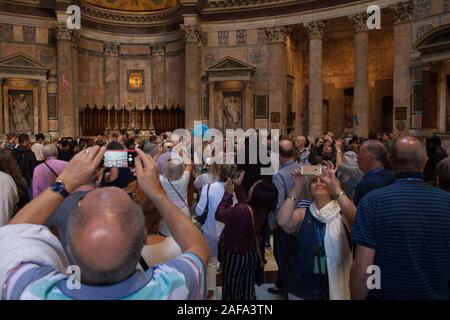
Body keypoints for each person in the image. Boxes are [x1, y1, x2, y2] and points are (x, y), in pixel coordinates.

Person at [0, 146, 208, 300]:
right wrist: (156, 192)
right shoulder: (174, 288)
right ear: (143, 241)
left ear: (69, 248)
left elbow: (12, 235)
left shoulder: (32, 293)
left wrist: (67, 181)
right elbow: (196, 246)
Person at [351, 136, 450, 300]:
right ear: (425, 162)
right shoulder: (447, 203)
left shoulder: (372, 202)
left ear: (391, 160)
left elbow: (363, 269)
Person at [277, 161, 356, 300]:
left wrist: (336, 186)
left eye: (323, 181)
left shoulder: (341, 212)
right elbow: (283, 222)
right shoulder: (303, 212)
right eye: (314, 181)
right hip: (304, 281)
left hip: (333, 280)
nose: (319, 183)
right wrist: (297, 187)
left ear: (331, 188)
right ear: (310, 189)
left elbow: (355, 220)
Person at [216, 177, 278, 300]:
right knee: (247, 287)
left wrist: (228, 194)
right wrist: (238, 186)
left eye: (254, 186)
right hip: (251, 253)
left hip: (235, 254)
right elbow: (247, 205)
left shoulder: (241, 210)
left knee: (231, 289)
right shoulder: (263, 208)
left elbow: (219, 214)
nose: (251, 186)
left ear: (257, 194)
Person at [268, 138, 303, 296]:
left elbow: (278, 203)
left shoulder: (279, 175)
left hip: (286, 221)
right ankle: (281, 285)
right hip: (303, 220)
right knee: (297, 255)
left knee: (284, 257)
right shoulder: (303, 169)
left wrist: (273, 222)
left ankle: (290, 291)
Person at [195, 164, 235, 299]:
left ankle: (210, 291)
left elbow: (199, 211)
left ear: (217, 172)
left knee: (211, 261)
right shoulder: (235, 190)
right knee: (228, 261)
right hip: (229, 230)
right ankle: (230, 291)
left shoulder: (208, 188)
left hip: (210, 229)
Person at [158, 152, 192, 236]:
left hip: (169, 209)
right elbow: (189, 165)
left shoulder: (163, 180)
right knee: (184, 234)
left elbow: (153, 169)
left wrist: (158, 153)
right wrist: (183, 154)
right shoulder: (185, 178)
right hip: (183, 210)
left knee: (169, 233)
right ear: (181, 169)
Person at [353, 140, 396, 206]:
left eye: (360, 153)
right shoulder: (395, 178)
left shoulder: (365, 185)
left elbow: (354, 214)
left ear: (370, 158)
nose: (357, 157)